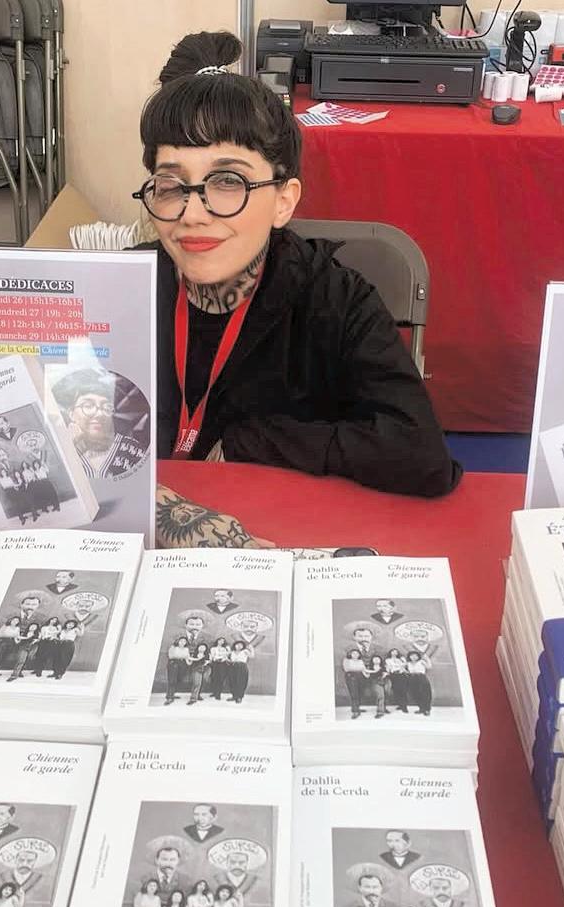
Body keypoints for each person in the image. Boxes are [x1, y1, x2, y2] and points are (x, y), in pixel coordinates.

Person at [138, 32, 460, 551]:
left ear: (284, 201)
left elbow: (420, 454)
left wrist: (249, 441)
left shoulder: (334, 300)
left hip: (274, 538)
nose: (192, 213)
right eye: (172, 185)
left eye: (228, 182)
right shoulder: (122, 288)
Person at [55, 372, 148, 481]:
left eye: (106, 407)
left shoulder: (133, 450)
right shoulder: (57, 449)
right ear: (71, 414)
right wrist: (68, 448)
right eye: (88, 406)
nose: (99, 414)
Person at [163, 635, 191, 704]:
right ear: (178, 641)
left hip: (182, 665)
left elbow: (187, 658)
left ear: (186, 643)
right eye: (181, 641)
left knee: (177, 681)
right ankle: (169, 698)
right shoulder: (173, 647)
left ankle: (170, 694)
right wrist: (182, 656)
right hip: (173, 664)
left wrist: (191, 662)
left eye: (184, 641)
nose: (182, 642)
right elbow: (170, 656)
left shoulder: (186, 649)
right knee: (172, 681)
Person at [406, 649, 432, 716]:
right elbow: (402, 668)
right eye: (412, 656)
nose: (414, 657)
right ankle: (421, 708)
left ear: (418, 656)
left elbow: (429, 667)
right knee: (415, 694)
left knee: (425, 694)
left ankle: (427, 710)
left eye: (415, 656)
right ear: (409, 657)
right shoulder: (408, 663)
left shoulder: (421, 662)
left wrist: (427, 659)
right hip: (412, 678)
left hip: (421, 678)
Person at [342, 647, 366, 718]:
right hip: (351, 677)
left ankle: (356, 708)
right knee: (354, 694)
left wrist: (371, 673)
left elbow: (364, 670)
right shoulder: (346, 660)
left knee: (359, 693)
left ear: (359, 655)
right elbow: (347, 669)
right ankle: (355, 712)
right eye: (353, 653)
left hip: (360, 677)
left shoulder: (360, 661)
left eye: (357, 653)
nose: (355, 655)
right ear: (350, 654)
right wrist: (359, 669)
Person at [362, 654, 389, 718]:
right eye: (375, 659)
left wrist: (386, 674)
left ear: (380, 660)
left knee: (386, 695)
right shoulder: (369, 667)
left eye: (378, 659)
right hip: (376, 682)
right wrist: (367, 672)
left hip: (386, 682)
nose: (376, 660)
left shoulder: (384, 667)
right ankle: (380, 712)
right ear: (372, 660)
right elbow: (367, 676)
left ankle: (384, 708)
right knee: (380, 696)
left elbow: (388, 673)